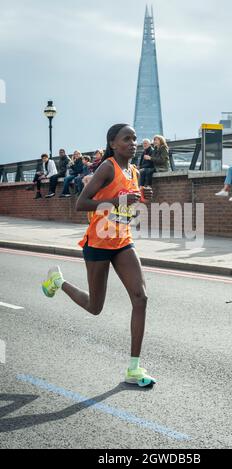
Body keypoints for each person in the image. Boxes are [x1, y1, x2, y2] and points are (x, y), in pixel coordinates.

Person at [42, 124, 156, 388]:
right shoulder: (107, 167)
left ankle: (133, 368)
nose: (133, 143)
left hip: (123, 242)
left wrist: (142, 198)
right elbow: (82, 203)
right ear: (113, 143)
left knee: (141, 298)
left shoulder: (134, 171)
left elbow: (129, 204)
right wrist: (119, 202)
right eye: (126, 139)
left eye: (135, 139)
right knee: (95, 307)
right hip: (99, 243)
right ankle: (58, 282)